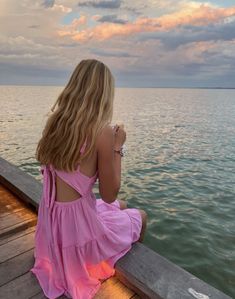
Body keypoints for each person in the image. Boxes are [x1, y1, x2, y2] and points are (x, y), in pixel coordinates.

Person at [30, 59, 148, 299]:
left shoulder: (55, 123)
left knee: (121, 207)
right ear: (104, 94)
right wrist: (118, 147)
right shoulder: (102, 132)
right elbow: (109, 193)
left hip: (52, 226)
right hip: (76, 234)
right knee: (141, 216)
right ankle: (138, 266)